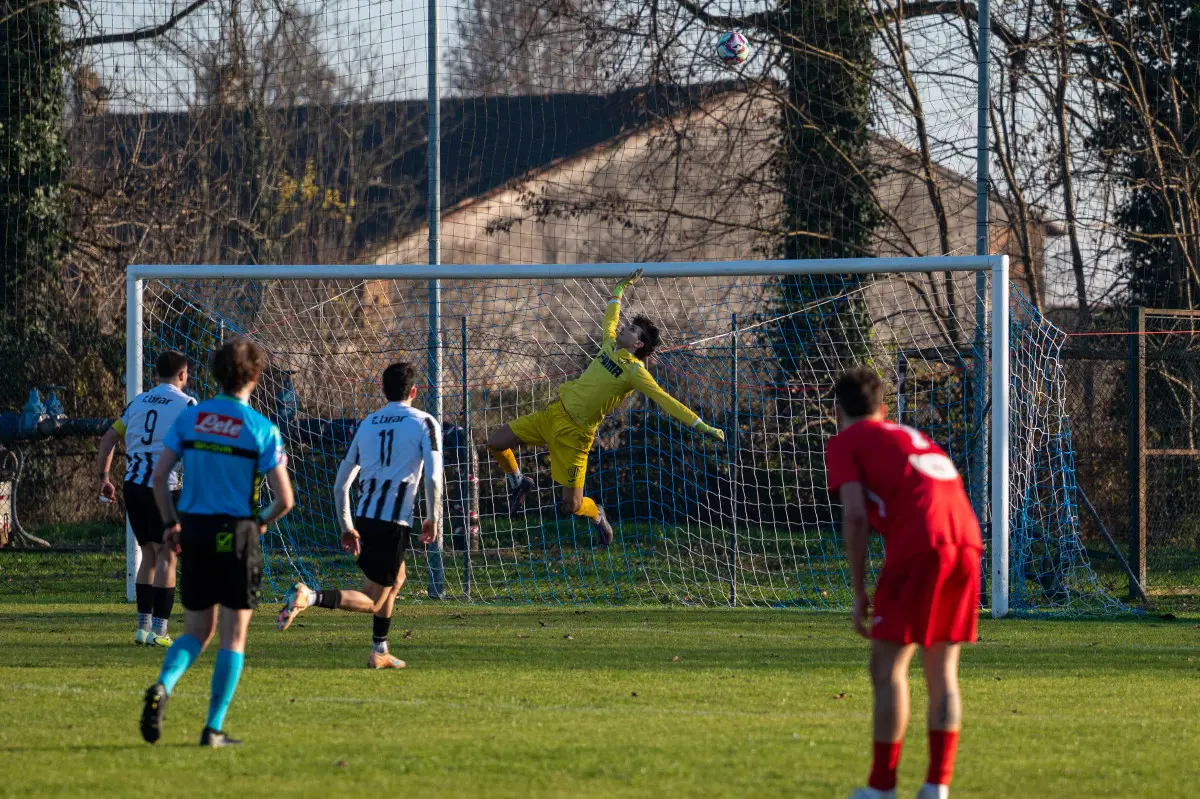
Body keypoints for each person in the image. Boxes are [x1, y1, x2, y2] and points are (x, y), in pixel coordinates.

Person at [825, 367, 982, 799]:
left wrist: (859, 593)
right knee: (942, 670)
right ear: (884, 409)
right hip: (967, 542)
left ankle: (881, 787)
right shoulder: (911, 436)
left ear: (836, 412)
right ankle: (937, 787)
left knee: (887, 667)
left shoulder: (845, 441)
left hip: (921, 546)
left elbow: (854, 514)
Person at [485, 269, 724, 544]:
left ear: (638, 344)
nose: (624, 327)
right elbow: (611, 317)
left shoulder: (636, 372)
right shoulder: (609, 344)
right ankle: (517, 481)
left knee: (571, 506)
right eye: (627, 325)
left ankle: (597, 514)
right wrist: (619, 289)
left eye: (631, 329)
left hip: (576, 437)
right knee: (496, 442)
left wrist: (700, 424)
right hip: (552, 415)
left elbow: (666, 400)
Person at [140, 338, 294, 748]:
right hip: (237, 532)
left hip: (194, 530)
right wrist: (259, 525)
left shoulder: (192, 418)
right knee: (233, 637)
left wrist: (172, 525)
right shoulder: (261, 428)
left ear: (213, 375)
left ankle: (163, 685)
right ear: (256, 378)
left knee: (194, 631)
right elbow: (285, 499)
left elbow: (159, 477)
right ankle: (213, 728)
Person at [276, 361, 441, 669]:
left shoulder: (368, 424)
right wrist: (433, 517)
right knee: (374, 599)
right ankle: (308, 596)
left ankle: (380, 651)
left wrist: (347, 526)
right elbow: (433, 477)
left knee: (398, 578)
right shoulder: (425, 422)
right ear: (415, 392)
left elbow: (341, 485)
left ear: (383, 389)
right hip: (392, 523)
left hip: (365, 518)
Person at [97, 350, 196, 647]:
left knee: (149, 554)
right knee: (167, 555)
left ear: (156, 374)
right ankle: (160, 631)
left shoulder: (138, 402)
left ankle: (142, 628)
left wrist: (103, 478)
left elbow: (108, 438)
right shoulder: (188, 404)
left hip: (133, 486)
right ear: (183, 374)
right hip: (165, 488)